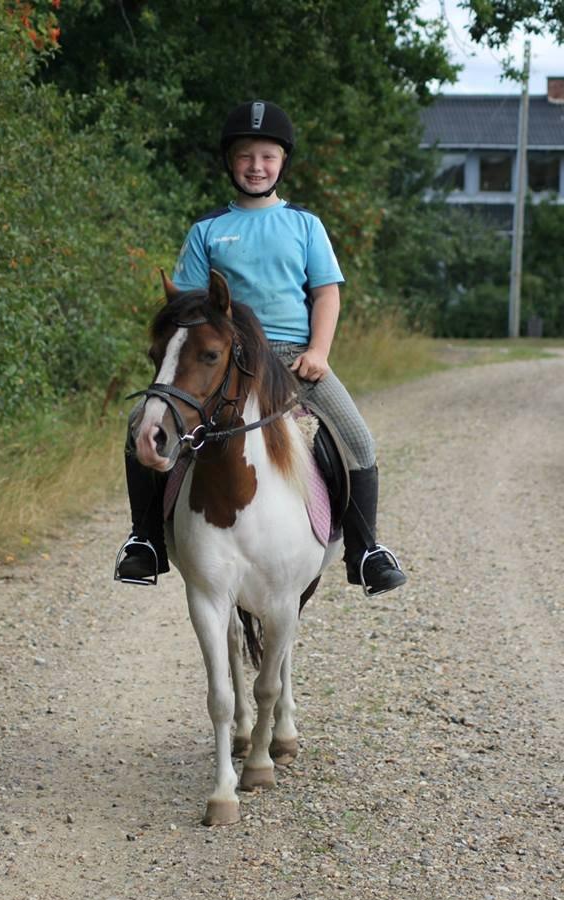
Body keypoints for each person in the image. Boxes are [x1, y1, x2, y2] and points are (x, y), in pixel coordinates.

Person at [116, 100, 406, 596]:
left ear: (282, 162)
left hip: (292, 356)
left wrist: (319, 351)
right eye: (246, 156)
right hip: (223, 356)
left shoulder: (305, 225)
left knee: (356, 437)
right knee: (137, 423)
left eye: (267, 157)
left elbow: (326, 293)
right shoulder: (207, 229)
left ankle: (365, 551)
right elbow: (188, 305)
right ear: (231, 163)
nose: (256, 166)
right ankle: (146, 541)